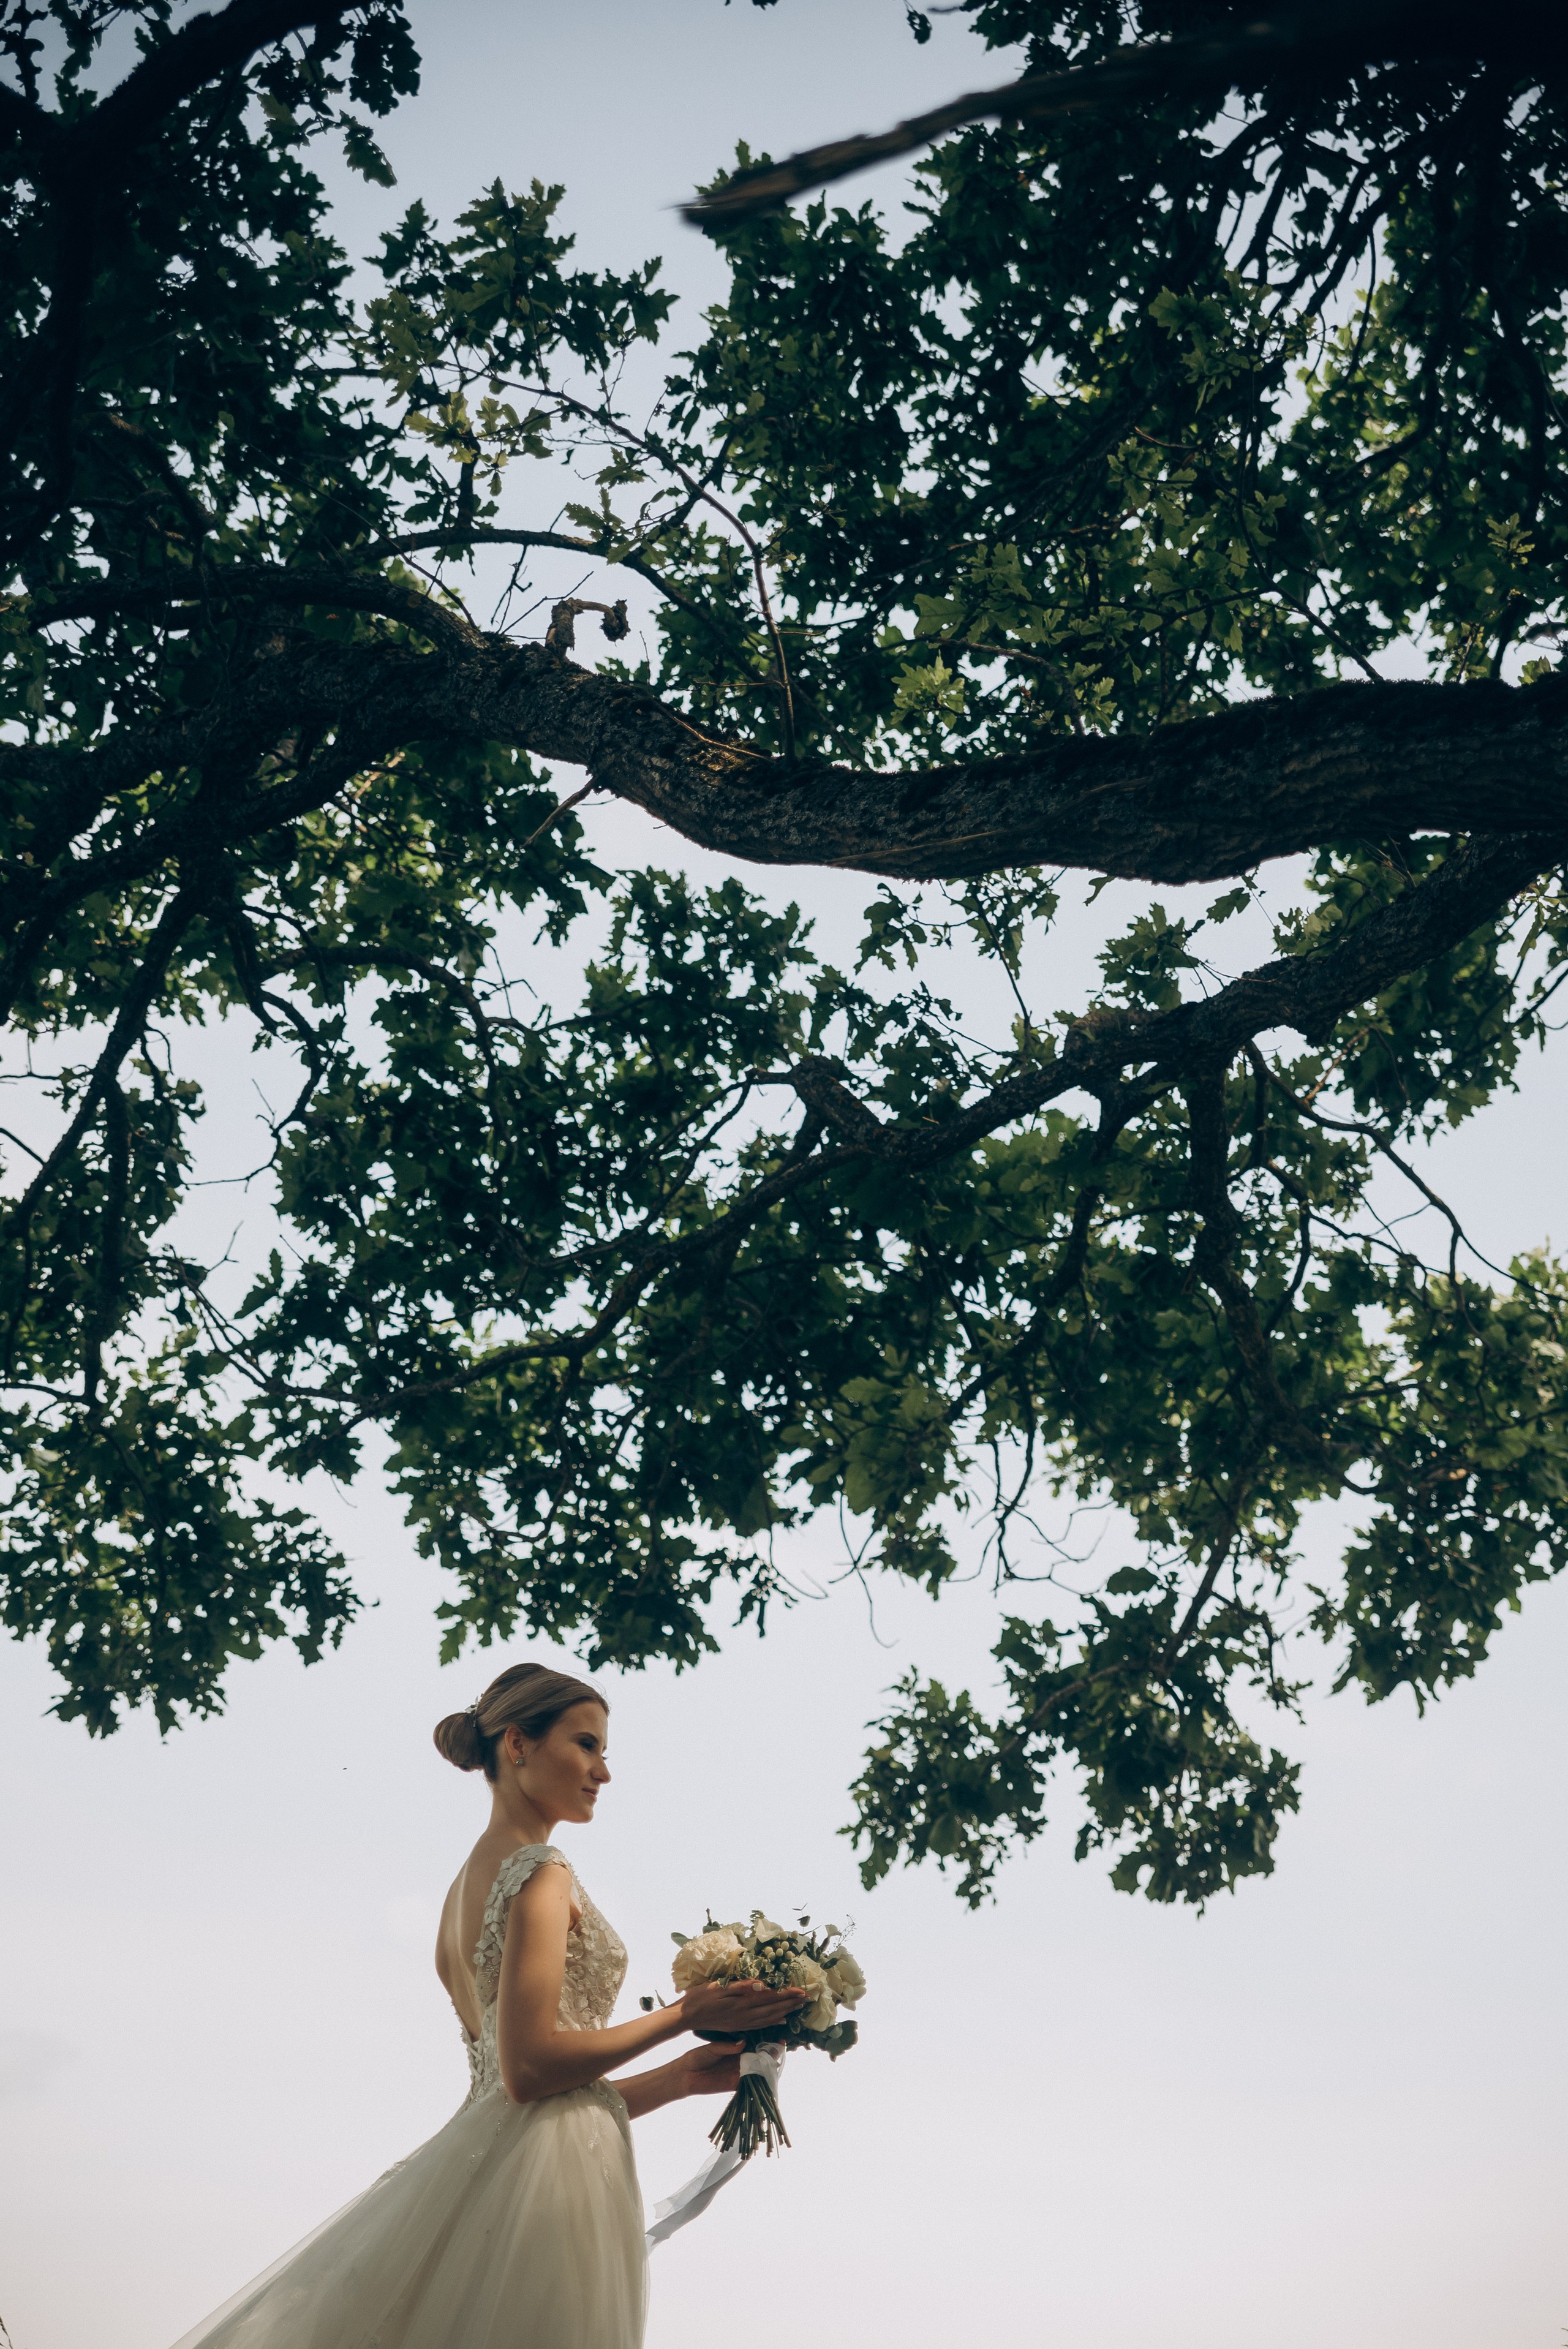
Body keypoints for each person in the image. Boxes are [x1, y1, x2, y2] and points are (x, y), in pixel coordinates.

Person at [171, 1661, 805, 2348]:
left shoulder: (460, 1891)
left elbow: (525, 2100)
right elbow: (529, 2069)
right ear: (517, 1743)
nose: (604, 1770)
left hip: (505, 2164)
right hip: (548, 2191)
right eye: (586, 1744)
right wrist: (685, 2013)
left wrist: (679, 2077)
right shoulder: (542, 1871)